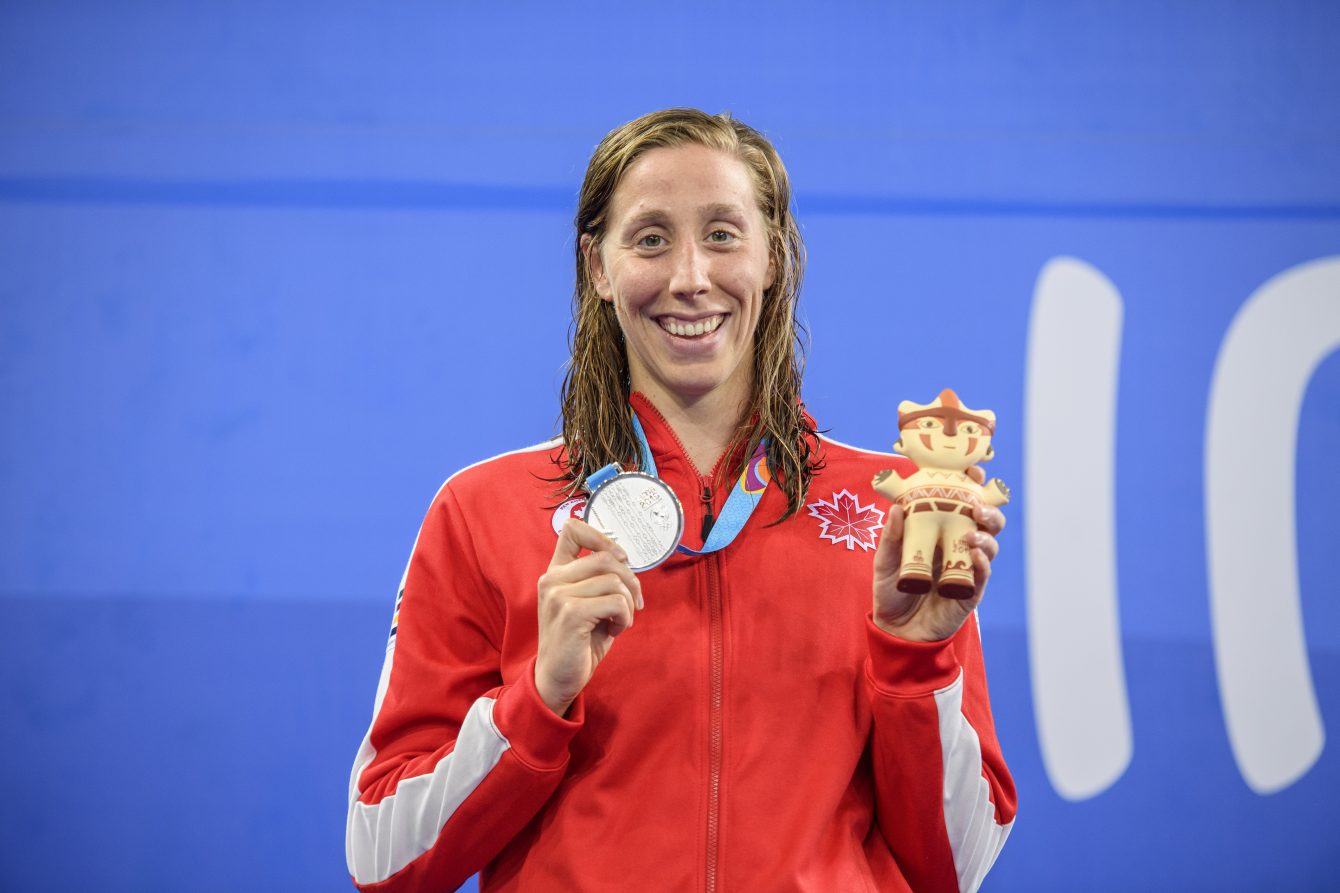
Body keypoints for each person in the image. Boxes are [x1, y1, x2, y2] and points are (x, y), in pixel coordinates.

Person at [345, 108, 1016, 893]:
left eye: (724, 234)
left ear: (774, 257)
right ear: (598, 266)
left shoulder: (888, 514)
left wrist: (914, 658)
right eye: (652, 237)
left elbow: (958, 868)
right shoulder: (483, 510)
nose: (690, 276)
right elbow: (382, 854)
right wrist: (541, 696)